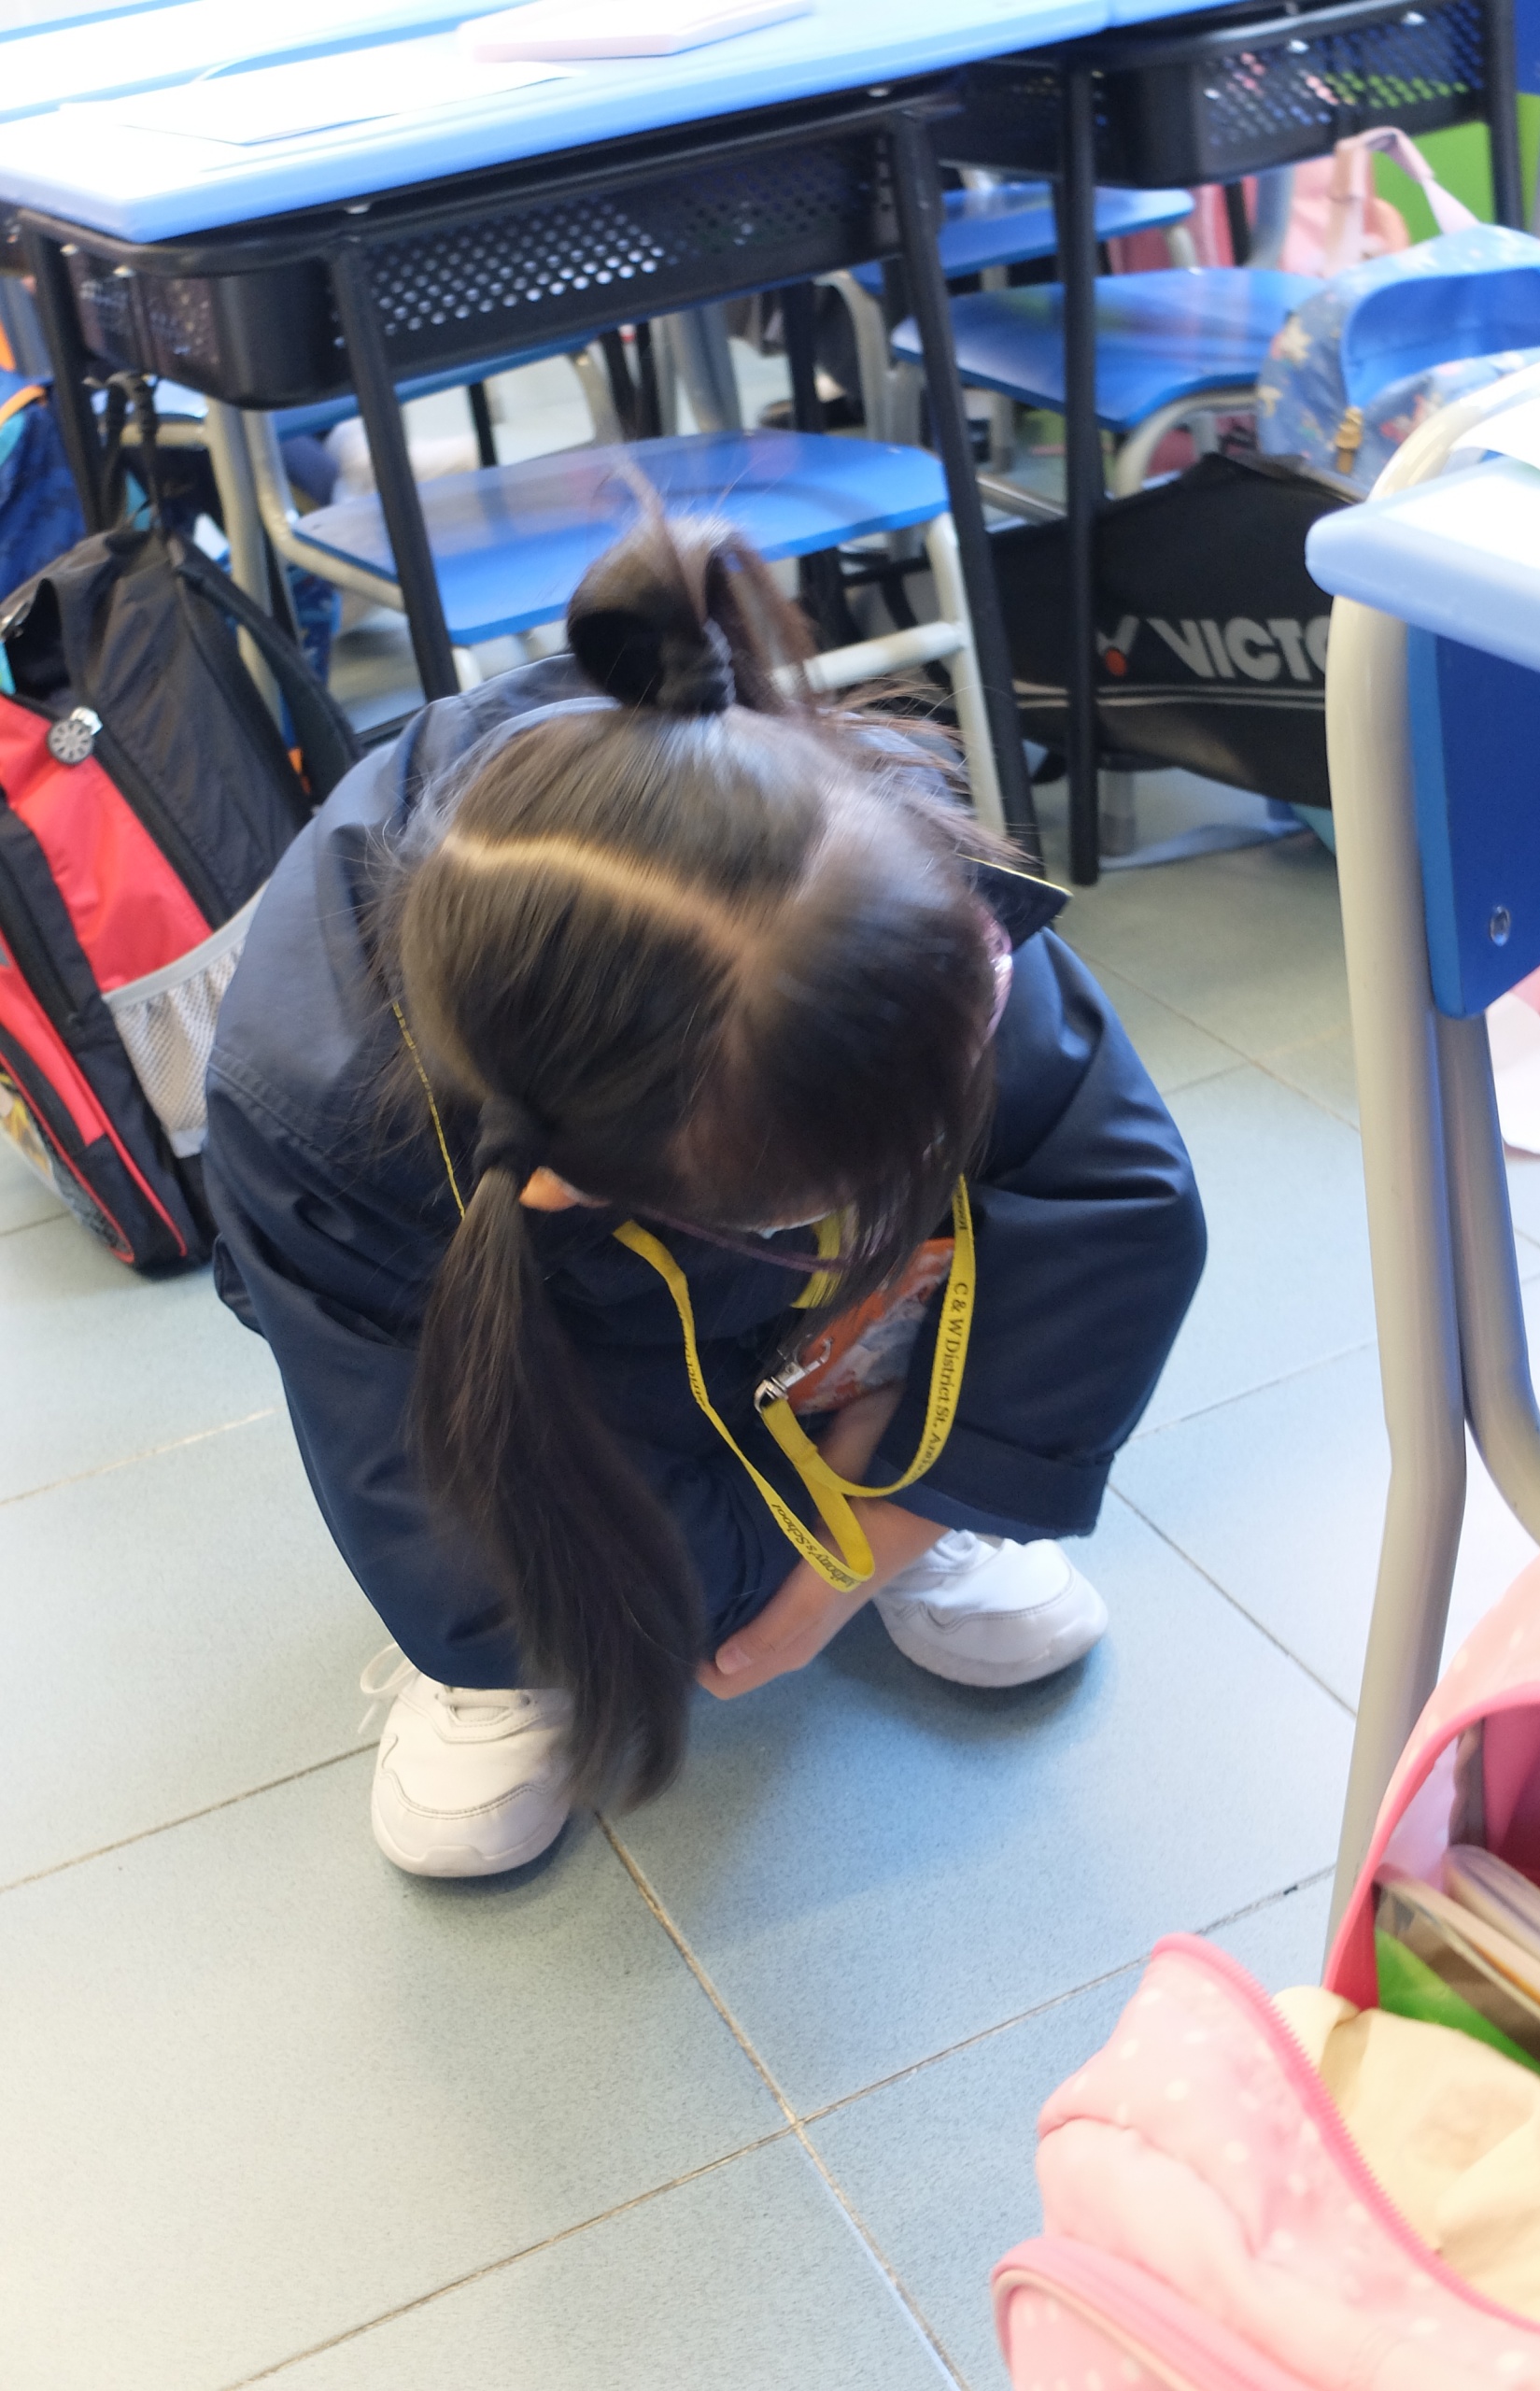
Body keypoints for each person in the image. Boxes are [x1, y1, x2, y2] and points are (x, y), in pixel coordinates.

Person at [205, 515, 1206, 1879]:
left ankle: (907, 1466)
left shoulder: (873, 883)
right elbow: (402, 1450)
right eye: (813, 1201)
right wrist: (729, 1578)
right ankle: (510, 1676)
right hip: (504, 1270)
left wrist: (889, 1513)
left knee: (934, 1213)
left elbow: (1109, 1189)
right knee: (505, 1470)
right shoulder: (312, 1109)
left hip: (722, 1159)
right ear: (564, 1182)